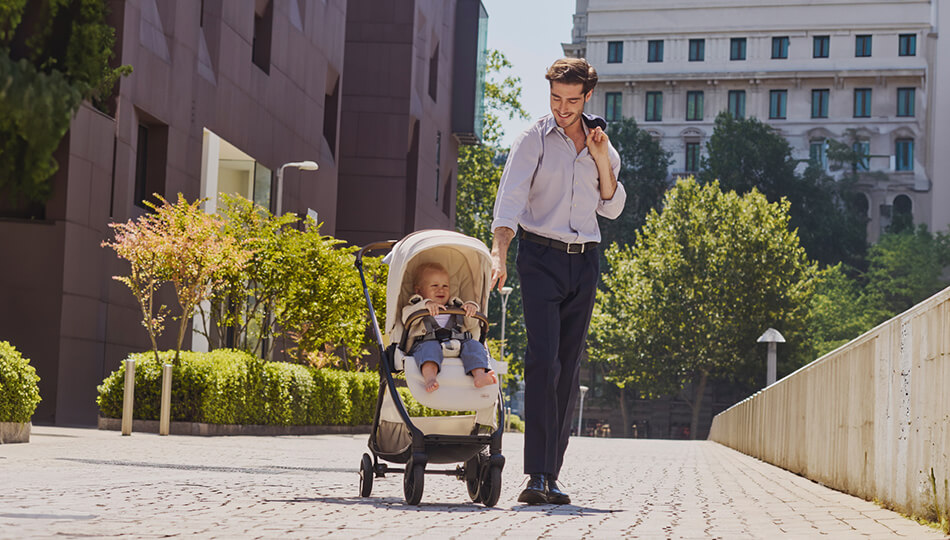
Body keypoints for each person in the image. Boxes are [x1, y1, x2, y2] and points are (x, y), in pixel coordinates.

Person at [490, 58, 625, 505]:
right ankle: (535, 475)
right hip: (540, 258)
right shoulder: (533, 140)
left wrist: (602, 157)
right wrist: (500, 253)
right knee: (543, 361)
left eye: (571, 100)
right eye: (555, 98)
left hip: (585, 261)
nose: (562, 108)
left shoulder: (602, 145)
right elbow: (509, 201)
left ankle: (552, 475)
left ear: (588, 97)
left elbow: (611, 206)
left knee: (568, 369)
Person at [402, 262, 498, 392]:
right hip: (426, 342)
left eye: (445, 286)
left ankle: (479, 375)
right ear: (418, 290)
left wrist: (470, 308)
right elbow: (406, 319)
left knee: (474, 345)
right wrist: (425, 305)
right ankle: (430, 378)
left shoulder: (456, 306)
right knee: (429, 349)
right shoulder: (415, 306)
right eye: (434, 285)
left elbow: (471, 325)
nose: (441, 289)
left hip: (458, 342)